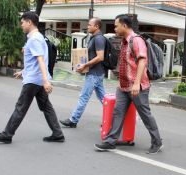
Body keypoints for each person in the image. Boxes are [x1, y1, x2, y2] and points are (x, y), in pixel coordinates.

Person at [94, 14, 163, 154]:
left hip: (137, 87)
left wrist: (137, 84)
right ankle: (110, 141)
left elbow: (142, 61)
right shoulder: (124, 41)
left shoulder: (136, 40)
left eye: (116, 25)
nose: (115, 28)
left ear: (124, 26)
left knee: (145, 114)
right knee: (118, 112)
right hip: (123, 86)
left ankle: (157, 142)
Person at [0, 11, 64, 143]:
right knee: (46, 107)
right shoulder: (38, 37)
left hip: (34, 80)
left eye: (22, 23)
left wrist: (46, 81)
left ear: (29, 22)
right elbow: (35, 60)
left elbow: (40, 60)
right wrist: (24, 70)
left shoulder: (34, 39)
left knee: (20, 107)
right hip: (38, 79)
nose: (21, 25)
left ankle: (7, 134)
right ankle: (57, 133)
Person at [59, 17, 106, 128]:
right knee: (104, 99)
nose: (88, 26)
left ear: (97, 26)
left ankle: (73, 120)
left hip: (94, 74)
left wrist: (85, 65)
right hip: (96, 73)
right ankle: (114, 118)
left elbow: (100, 57)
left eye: (90, 25)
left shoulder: (99, 39)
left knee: (84, 97)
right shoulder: (94, 38)